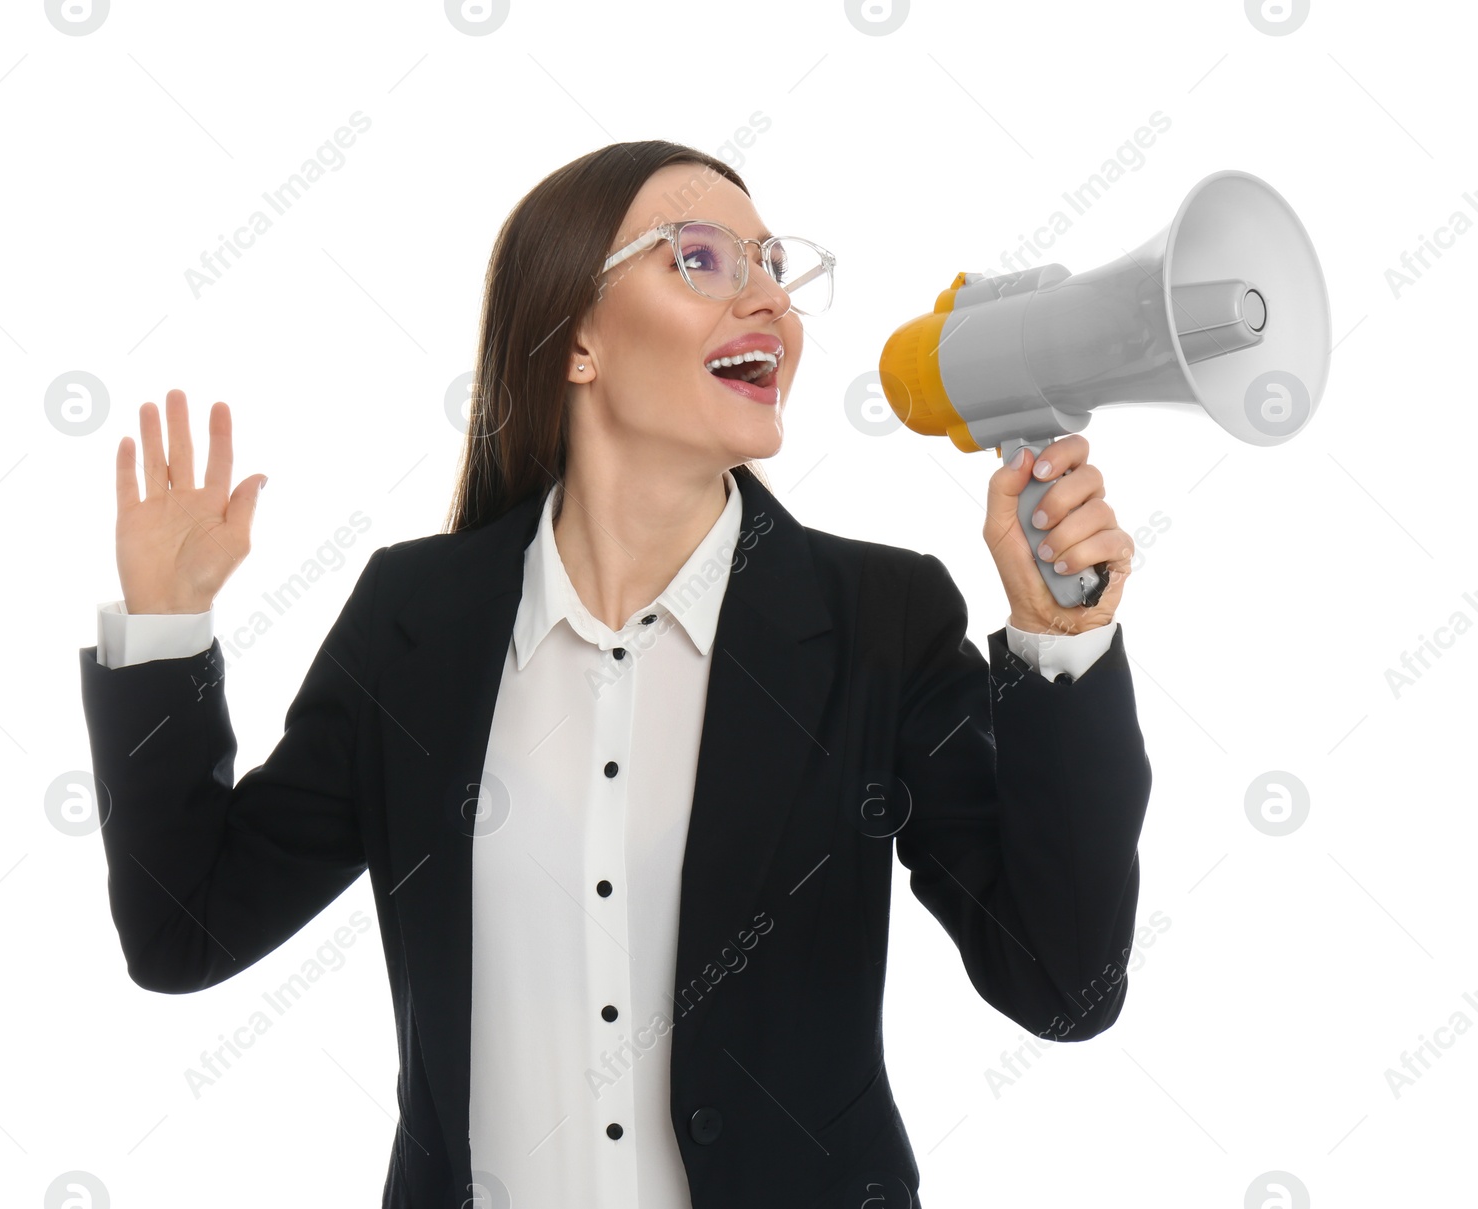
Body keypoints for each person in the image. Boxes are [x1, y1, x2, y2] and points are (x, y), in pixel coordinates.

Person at [78, 140, 1151, 1209]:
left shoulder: (878, 621)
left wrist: (1059, 641)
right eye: (703, 258)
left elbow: (1064, 985)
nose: (771, 301)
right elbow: (187, 930)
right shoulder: (416, 623)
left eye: (772, 264)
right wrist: (166, 628)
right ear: (576, 340)